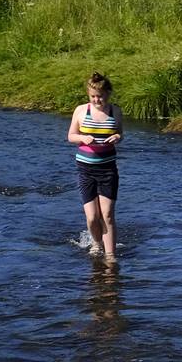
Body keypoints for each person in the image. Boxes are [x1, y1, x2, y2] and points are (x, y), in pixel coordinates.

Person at [67, 72, 122, 262]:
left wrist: (117, 137)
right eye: (93, 96)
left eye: (100, 95)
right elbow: (71, 136)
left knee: (106, 215)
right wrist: (82, 137)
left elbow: (120, 133)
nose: (97, 99)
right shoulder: (81, 111)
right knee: (92, 217)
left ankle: (110, 255)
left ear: (108, 93)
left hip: (108, 170)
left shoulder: (115, 111)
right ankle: (96, 243)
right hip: (86, 170)